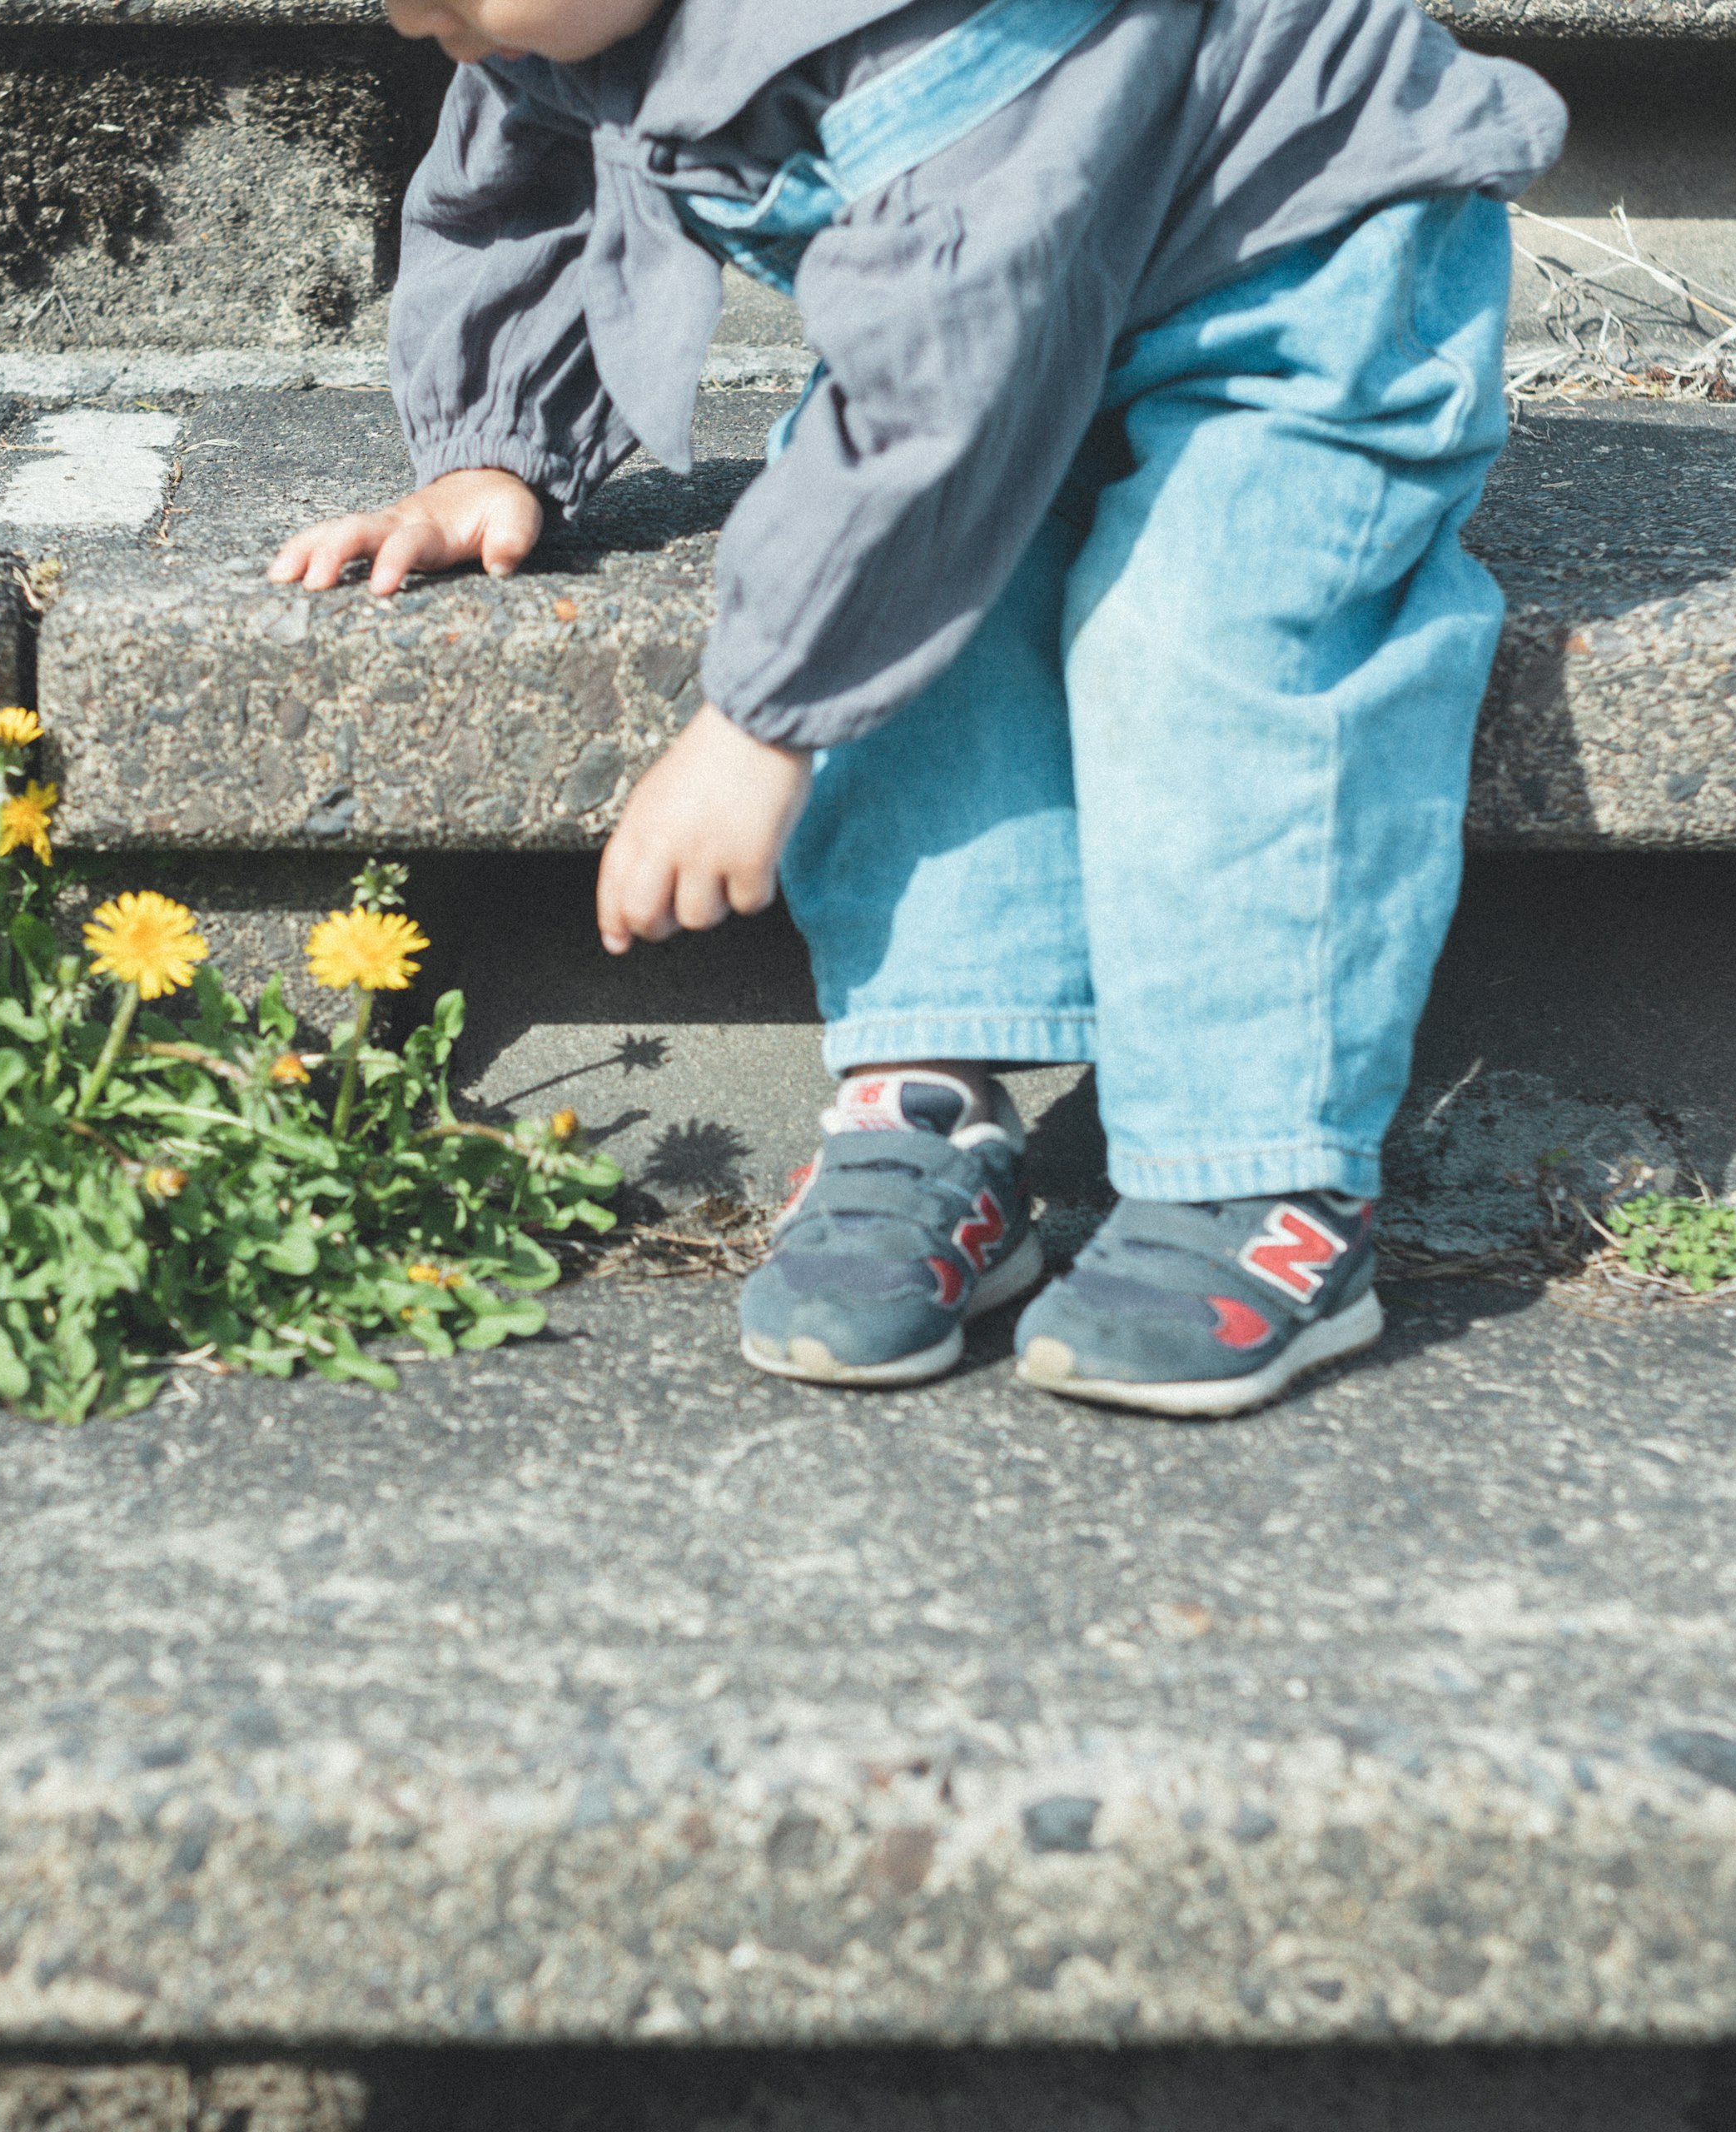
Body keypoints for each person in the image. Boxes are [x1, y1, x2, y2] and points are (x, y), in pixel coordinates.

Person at [269, 0, 1564, 1416]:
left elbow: (935, 399)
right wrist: (493, 442)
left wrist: (761, 719)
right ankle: (925, 1096)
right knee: (935, 606)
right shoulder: (533, 16)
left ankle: (1255, 1174)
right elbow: (529, 153)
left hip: (1297, 268)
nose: (415, 12)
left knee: (1202, 631)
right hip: (1002, 272)